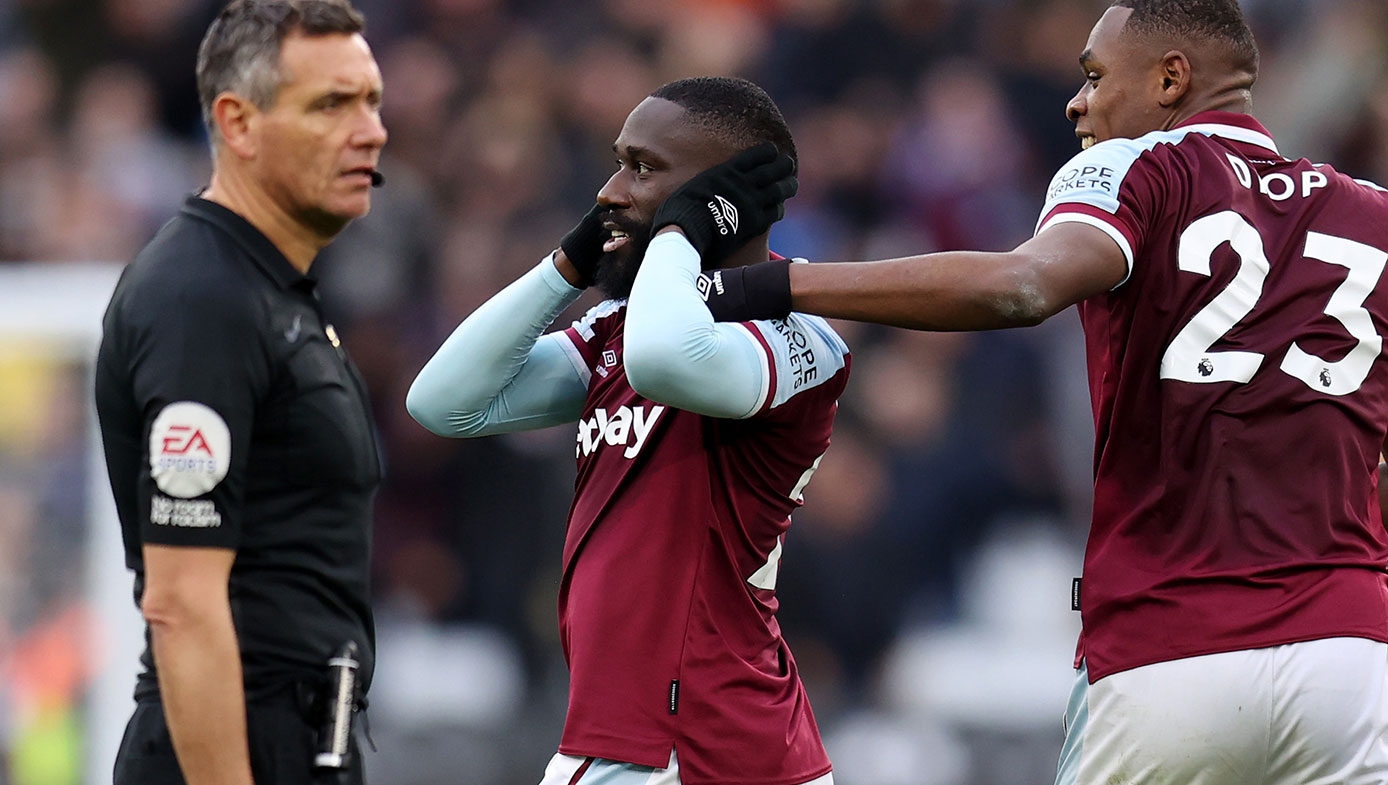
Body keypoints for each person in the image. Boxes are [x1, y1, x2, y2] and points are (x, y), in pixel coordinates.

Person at [694, 2, 1388, 784]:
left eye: (1094, 75)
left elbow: (1022, 286)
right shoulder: (1372, 213)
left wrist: (773, 283)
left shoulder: (1138, 167)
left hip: (1172, 648)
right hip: (1350, 661)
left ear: (1170, 78)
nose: (1076, 101)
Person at [406, 76, 847, 785]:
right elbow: (444, 400)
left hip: (690, 748)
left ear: (717, 196)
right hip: (655, 746)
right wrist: (570, 263)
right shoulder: (615, 328)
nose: (609, 190)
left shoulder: (797, 339)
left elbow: (667, 358)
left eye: (641, 169)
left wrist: (680, 228)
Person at [94, 1, 386, 783]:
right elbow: (182, 601)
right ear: (239, 122)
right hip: (232, 747)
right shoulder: (202, 298)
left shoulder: (269, 289)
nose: (371, 130)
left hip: (304, 737)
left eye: (371, 100)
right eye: (332, 104)